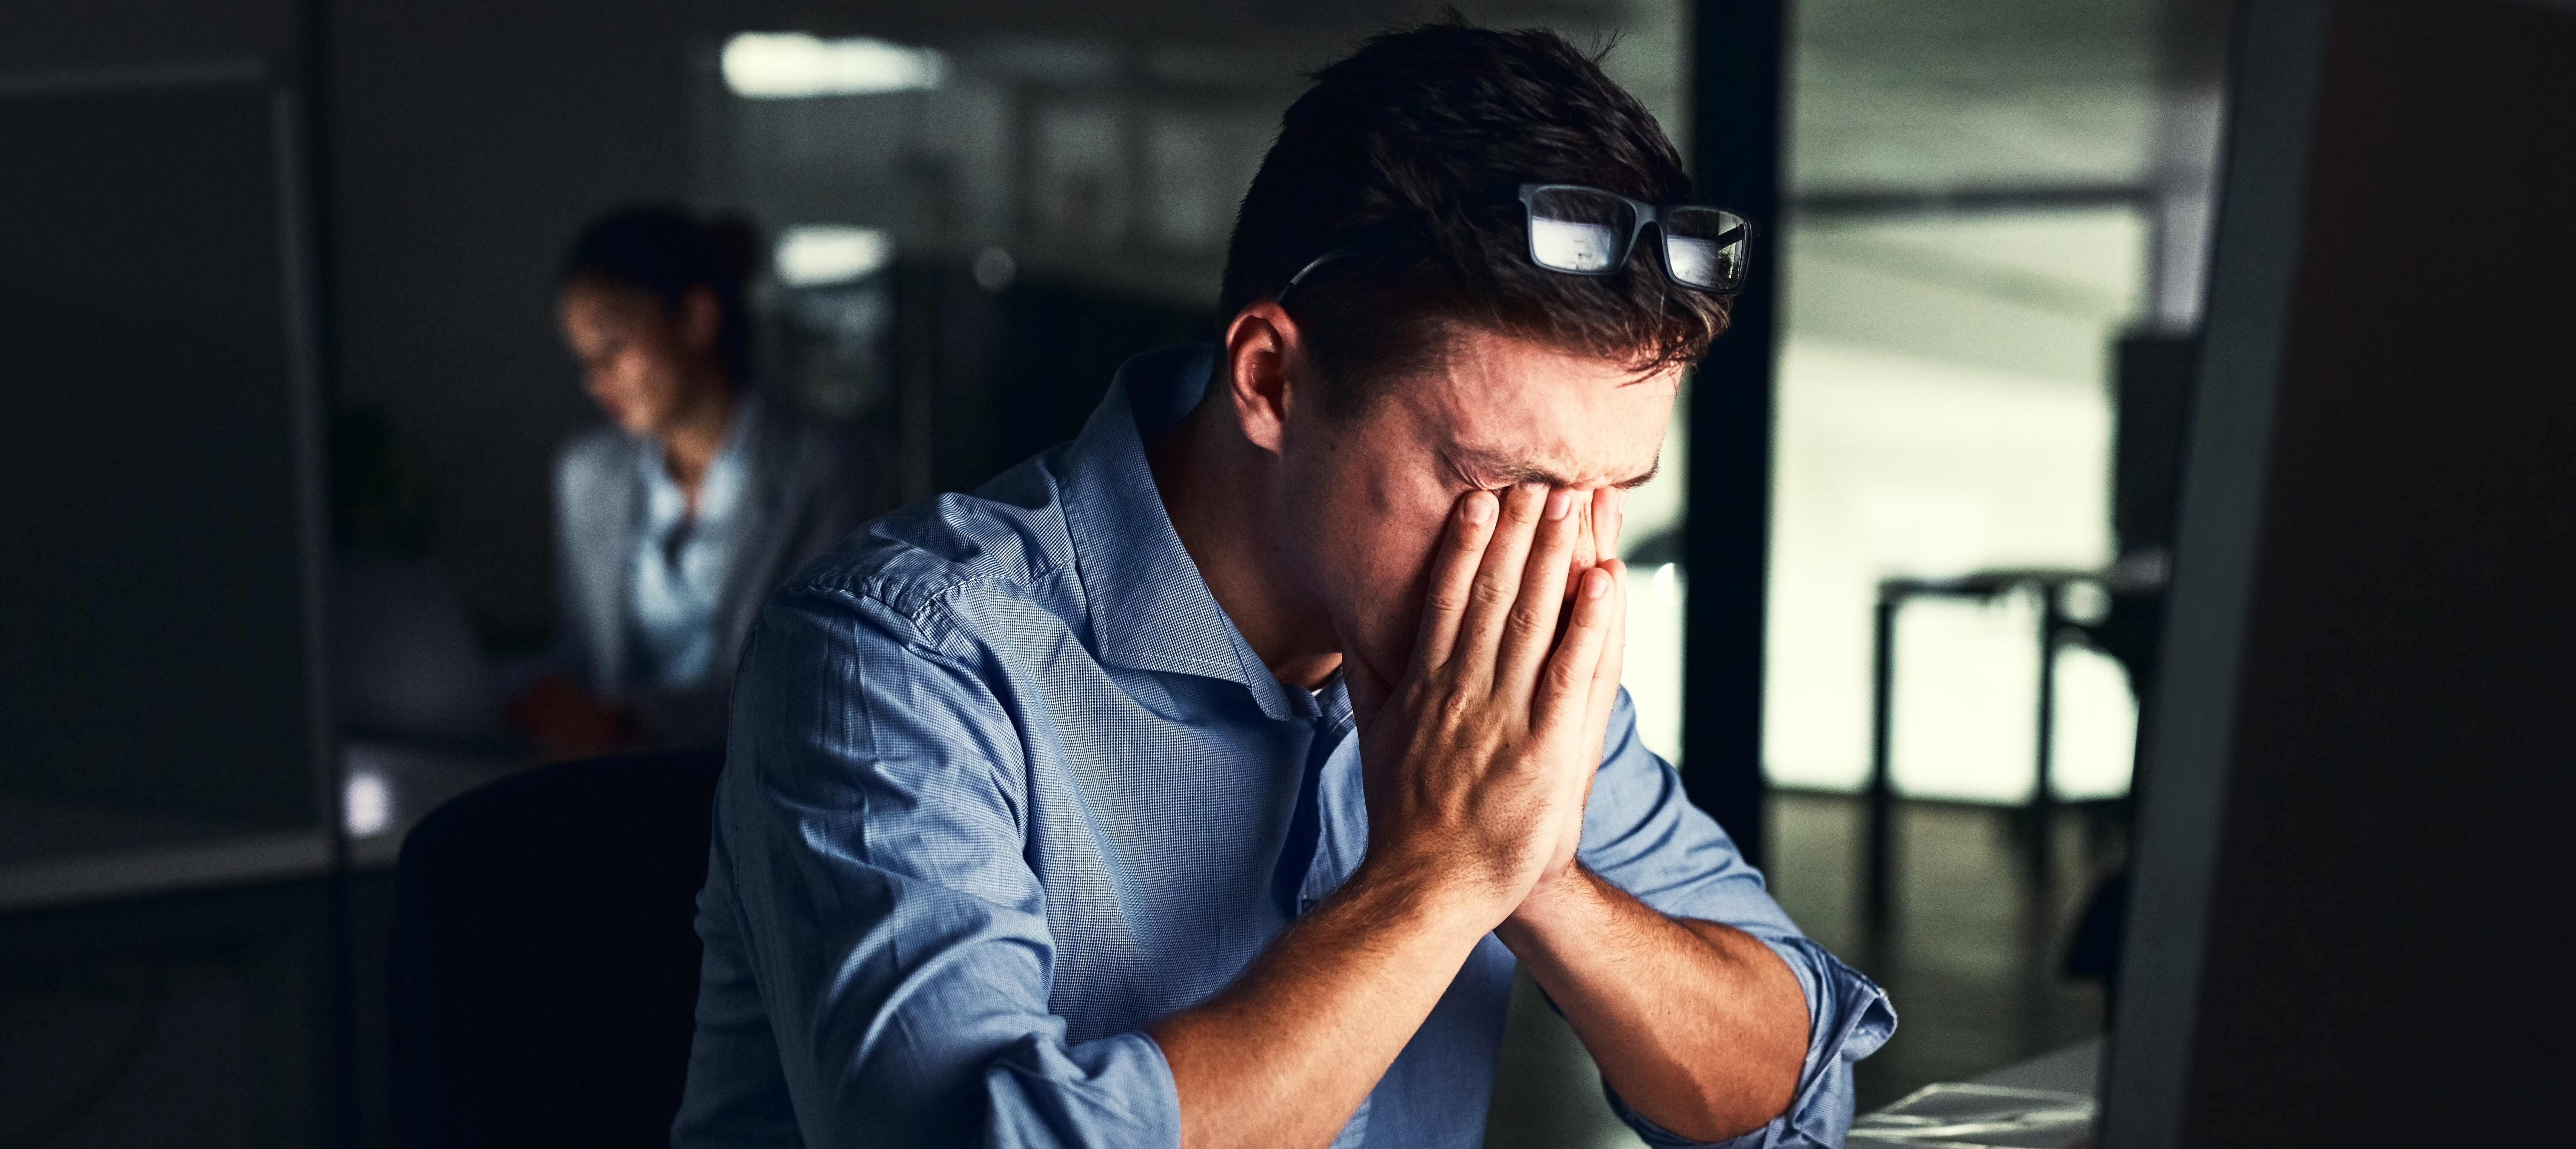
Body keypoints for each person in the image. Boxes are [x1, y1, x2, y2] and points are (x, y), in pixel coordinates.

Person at [677, 22, 1891, 1149]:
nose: (1563, 566)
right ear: (1268, 381)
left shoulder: (1486, 672)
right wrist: (1439, 877)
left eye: (1609, 491)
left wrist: (1536, 874)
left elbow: (1790, 1092)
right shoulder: (903, 656)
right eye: (1498, 483)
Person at [513, 206, 877, 756]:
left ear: (695, 319)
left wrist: (633, 722)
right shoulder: (587, 474)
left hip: (762, 780)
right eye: (584, 359)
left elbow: (814, 673)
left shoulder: (824, 467)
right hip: (611, 787)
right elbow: (582, 657)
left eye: (612, 346)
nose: (595, 379)